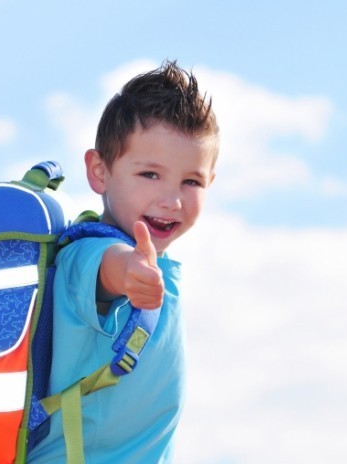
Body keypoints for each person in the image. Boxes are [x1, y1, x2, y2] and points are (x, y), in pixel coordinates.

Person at [28, 60, 219, 463]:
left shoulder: (160, 266)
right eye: (150, 174)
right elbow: (108, 270)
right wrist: (131, 273)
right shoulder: (87, 252)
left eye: (191, 181)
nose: (173, 199)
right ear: (100, 172)